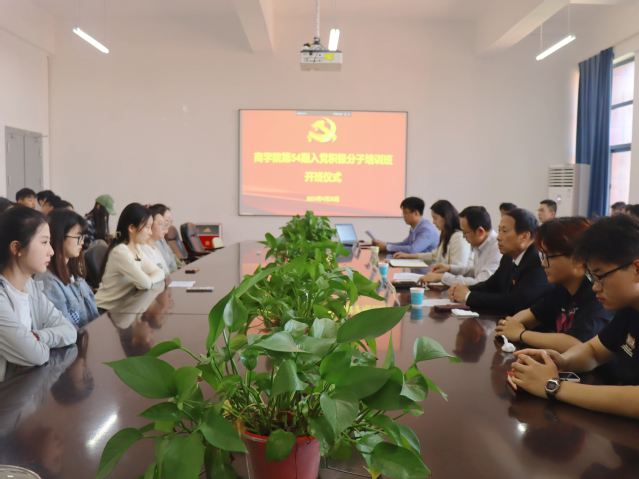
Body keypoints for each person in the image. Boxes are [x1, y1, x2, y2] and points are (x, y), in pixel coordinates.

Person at [511, 214, 639, 419]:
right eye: (591, 277)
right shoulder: (630, 307)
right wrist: (563, 360)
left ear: (637, 269)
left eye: (600, 276)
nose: (595, 287)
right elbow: (593, 351)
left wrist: (553, 386)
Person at [495, 217, 614, 353]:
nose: (543, 263)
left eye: (548, 257)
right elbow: (533, 314)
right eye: (542, 256)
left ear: (578, 259)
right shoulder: (563, 288)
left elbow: (577, 343)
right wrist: (510, 326)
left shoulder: (598, 292)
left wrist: (521, 334)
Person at [0, 207, 77, 381]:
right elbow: (36, 355)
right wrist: (39, 342)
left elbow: (69, 331)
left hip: (24, 387)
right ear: (16, 247)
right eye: (44, 242)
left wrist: (38, 336)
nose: (51, 251)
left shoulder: (31, 286)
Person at [448, 208, 553, 315]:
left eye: (504, 231)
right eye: (499, 231)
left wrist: (468, 296)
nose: (498, 237)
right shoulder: (508, 257)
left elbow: (516, 302)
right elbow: (491, 285)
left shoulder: (537, 261)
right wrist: (466, 288)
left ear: (524, 236)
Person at [34, 209, 100, 330]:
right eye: (78, 237)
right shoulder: (49, 282)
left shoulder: (74, 273)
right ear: (59, 237)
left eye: (83, 237)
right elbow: (64, 330)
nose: (82, 242)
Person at [94, 203, 165, 312]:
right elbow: (145, 284)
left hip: (123, 308)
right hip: (105, 311)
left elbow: (159, 272)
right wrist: (149, 281)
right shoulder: (120, 252)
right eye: (147, 227)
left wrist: (149, 280)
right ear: (131, 228)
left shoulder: (137, 249)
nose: (150, 233)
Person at [393, 200, 471, 283]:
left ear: (446, 217)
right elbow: (433, 256)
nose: (434, 222)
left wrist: (438, 278)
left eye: (435, 218)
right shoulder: (446, 234)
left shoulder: (458, 238)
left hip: (453, 284)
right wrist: (408, 256)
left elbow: (457, 270)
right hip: (444, 281)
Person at [431, 206, 502, 286]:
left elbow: (481, 283)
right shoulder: (481, 244)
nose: (463, 236)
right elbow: (476, 271)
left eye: (465, 232)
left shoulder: (497, 248)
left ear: (480, 231)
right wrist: (449, 268)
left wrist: (442, 277)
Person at [372, 197, 439, 254]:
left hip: (426, 265)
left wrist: (387, 246)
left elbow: (413, 250)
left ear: (416, 213)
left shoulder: (426, 230)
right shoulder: (415, 227)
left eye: (405, 213)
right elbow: (404, 244)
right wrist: (383, 244)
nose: (403, 216)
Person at [140, 205, 171, 276]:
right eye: (160, 224)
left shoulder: (156, 250)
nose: (165, 228)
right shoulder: (141, 250)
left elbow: (167, 274)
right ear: (150, 225)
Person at [150, 204, 182, 272]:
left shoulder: (161, 239)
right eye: (167, 220)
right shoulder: (151, 244)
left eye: (170, 221)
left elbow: (171, 259)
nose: (168, 225)